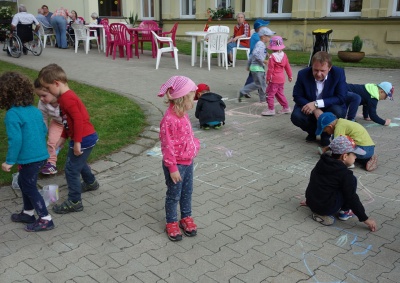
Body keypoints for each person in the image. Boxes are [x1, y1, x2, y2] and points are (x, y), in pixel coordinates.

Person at [38, 64, 99, 214]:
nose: (47, 91)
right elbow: (67, 121)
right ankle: (91, 183)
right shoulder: (64, 98)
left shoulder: (67, 99)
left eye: (47, 88)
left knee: (71, 170)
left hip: (83, 138)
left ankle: (74, 201)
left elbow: (78, 120)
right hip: (84, 137)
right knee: (78, 162)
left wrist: (77, 142)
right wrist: (64, 137)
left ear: (56, 83)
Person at [0, 71, 54, 232]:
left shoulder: (12, 114)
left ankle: (45, 219)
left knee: (29, 187)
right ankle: (28, 213)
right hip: (41, 156)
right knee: (25, 184)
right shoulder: (34, 110)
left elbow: (15, 140)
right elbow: (44, 129)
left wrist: (9, 161)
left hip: (29, 159)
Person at [304, 135, 377, 231]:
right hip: (325, 207)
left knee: (330, 184)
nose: (356, 157)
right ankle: (343, 212)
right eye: (354, 154)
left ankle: (316, 207)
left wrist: (311, 199)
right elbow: (352, 198)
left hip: (311, 200)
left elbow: (314, 180)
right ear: (345, 156)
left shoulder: (322, 162)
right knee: (350, 184)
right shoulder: (345, 175)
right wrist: (365, 219)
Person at [158, 76, 200, 241]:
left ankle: (186, 217)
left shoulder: (183, 115)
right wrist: (173, 168)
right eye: (192, 98)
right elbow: (167, 147)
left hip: (188, 161)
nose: (194, 102)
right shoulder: (169, 120)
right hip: (176, 165)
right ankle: (171, 222)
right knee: (174, 195)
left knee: (187, 192)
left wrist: (194, 145)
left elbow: (188, 134)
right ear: (182, 99)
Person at [291, 51, 347, 146]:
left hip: (330, 106)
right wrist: (315, 109)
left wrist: (316, 104)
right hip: (309, 105)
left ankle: (325, 136)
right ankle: (313, 132)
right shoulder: (303, 74)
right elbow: (297, 95)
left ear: (329, 68)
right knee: (296, 116)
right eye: (315, 70)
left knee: (337, 111)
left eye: (322, 71)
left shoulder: (338, 73)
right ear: (312, 66)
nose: (318, 74)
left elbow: (341, 97)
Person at [34, 79, 63, 175]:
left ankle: (81, 164)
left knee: (77, 143)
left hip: (72, 124)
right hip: (58, 123)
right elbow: (43, 118)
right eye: (39, 96)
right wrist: (44, 131)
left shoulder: (64, 100)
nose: (41, 98)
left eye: (44, 95)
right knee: (52, 142)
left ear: (53, 91)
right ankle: (51, 163)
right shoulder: (42, 103)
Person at [238, 27, 275, 104]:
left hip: (255, 68)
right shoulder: (260, 44)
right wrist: (263, 60)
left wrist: (248, 65)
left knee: (259, 84)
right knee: (261, 84)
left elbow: (252, 55)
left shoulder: (260, 44)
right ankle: (262, 99)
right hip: (258, 68)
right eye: (269, 36)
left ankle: (245, 91)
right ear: (263, 37)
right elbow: (255, 54)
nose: (270, 38)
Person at [262, 35, 293, 116]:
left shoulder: (272, 57)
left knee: (269, 93)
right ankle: (286, 107)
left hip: (274, 79)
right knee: (279, 93)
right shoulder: (284, 55)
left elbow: (270, 69)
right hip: (281, 79)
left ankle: (271, 109)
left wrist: (268, 78)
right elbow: (287, 66)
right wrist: (290, 75)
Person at [243, 18, 270, 98]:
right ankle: (247, 90)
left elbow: (261, 47)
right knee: (255, 75)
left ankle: (261, 91)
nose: (265, 28)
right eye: (264, 27)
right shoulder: (256, 36)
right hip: (255, 58)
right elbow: (258, 48)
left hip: (256, 58)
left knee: (256, 75)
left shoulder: (258, 36)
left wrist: (266, 52)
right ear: (259, 28)